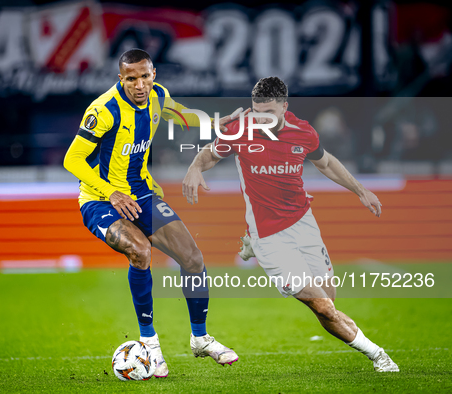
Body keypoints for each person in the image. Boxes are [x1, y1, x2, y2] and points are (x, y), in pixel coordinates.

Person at [182, 76, 399, 372]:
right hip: (269, 235)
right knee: (322, 306)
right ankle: (379, 355)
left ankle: (251, 245)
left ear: (285, 107)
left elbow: (326, 163)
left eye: (269, 114)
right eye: (257, 113)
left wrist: (360, 189)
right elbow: (209, 153)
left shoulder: (304, 132)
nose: (262, 121)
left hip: (303, 223)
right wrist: (195, 168)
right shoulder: (241, 131)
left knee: (329, 304)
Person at [63, 49, 238, 378]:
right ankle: (150, 345)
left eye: (145, 76)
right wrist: (110, 193)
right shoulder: (103, 110)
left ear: (154, 74)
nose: (139, 84)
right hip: (100, 199)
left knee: (193, 258)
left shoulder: (158, 96)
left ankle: (200, 338)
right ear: (121, 79)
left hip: (141, 193)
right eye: (131, 79)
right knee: (141, 251)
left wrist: (212, 122)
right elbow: (72, 160)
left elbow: (178, 113)